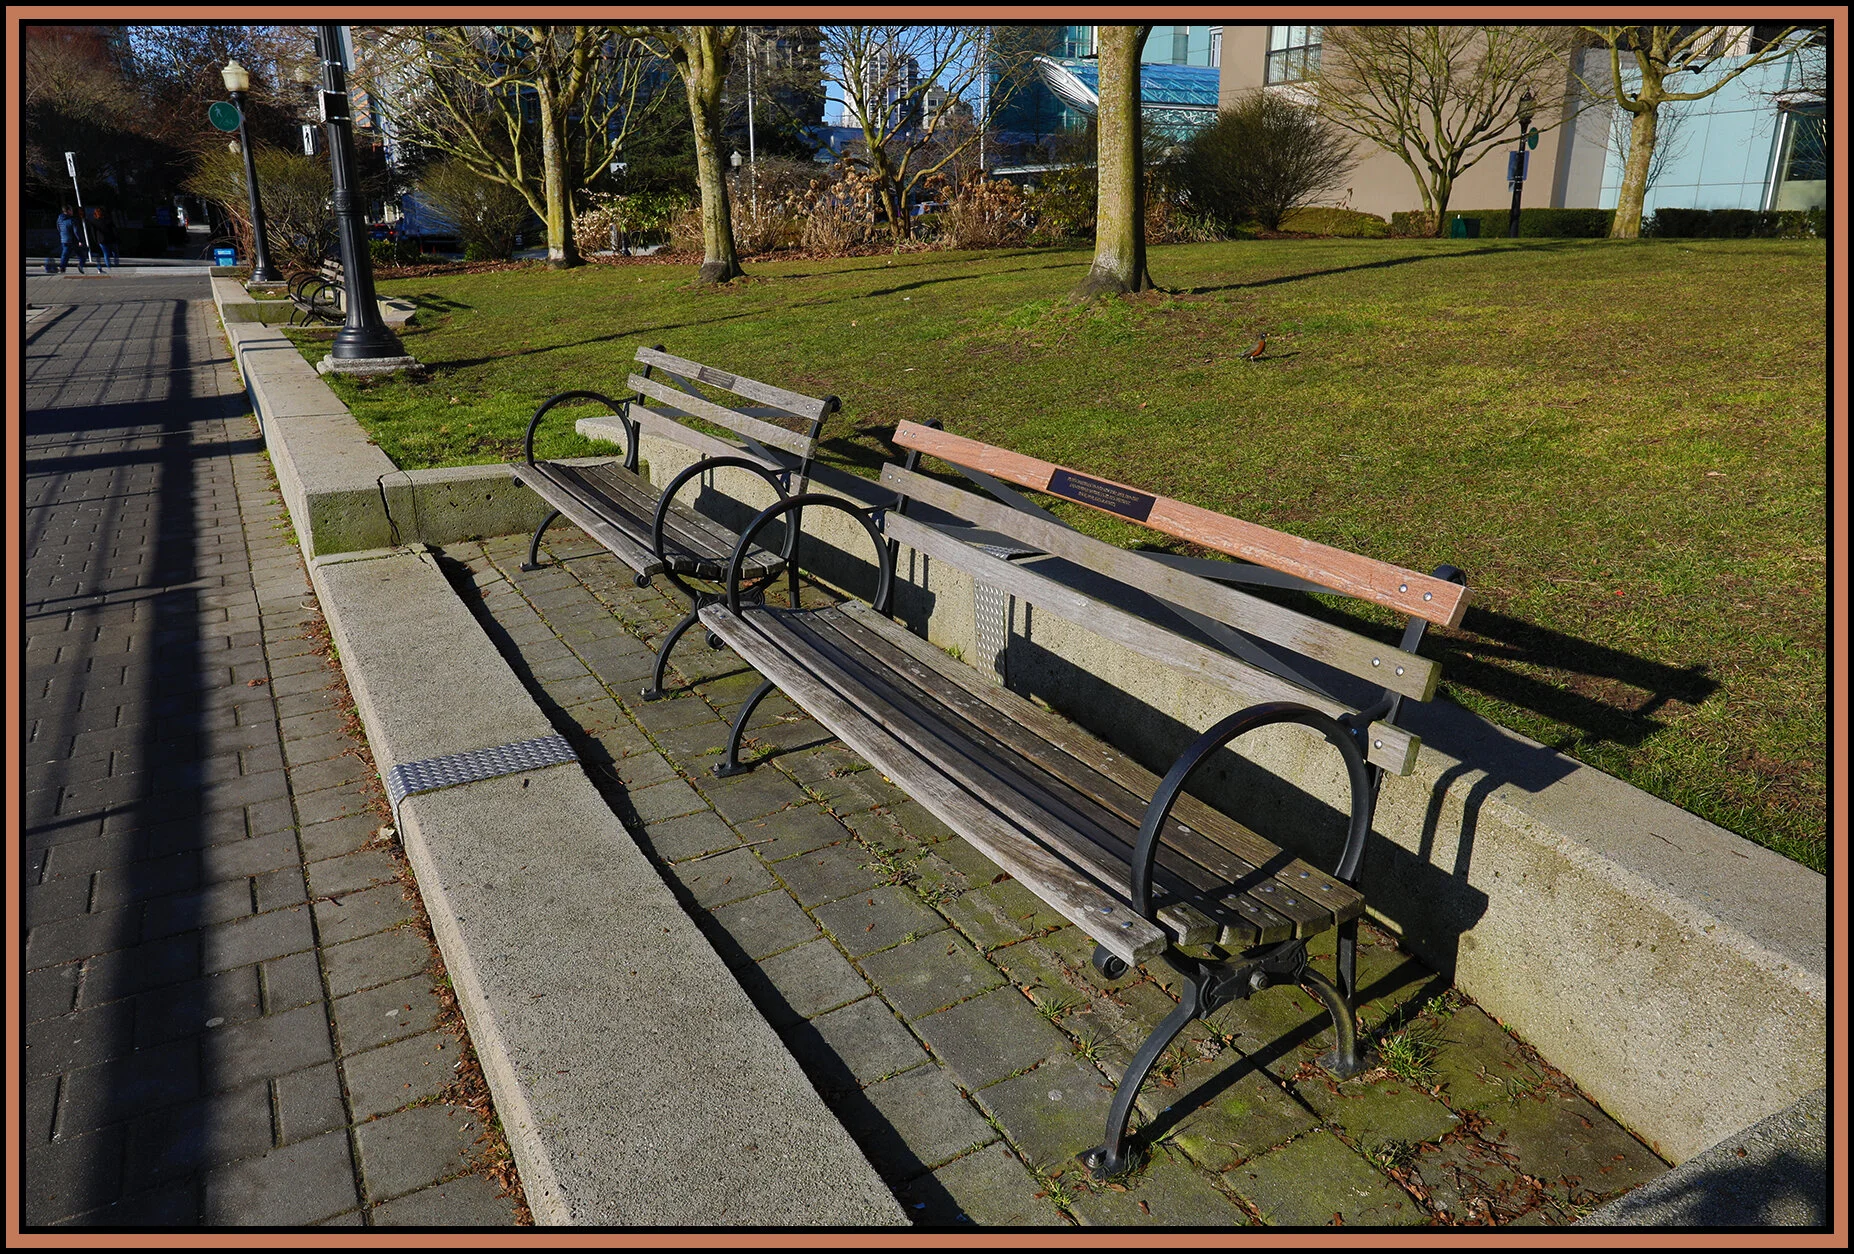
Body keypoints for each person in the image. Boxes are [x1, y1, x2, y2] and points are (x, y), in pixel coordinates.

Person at [56, 205, 88, 274]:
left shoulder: (59, 219)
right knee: (82, 255)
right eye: (71, 210)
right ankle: (81, 265)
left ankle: (62, 268)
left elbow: (59, 228)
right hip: (73, 240)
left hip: (64, 239)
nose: (72, 211)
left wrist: (63, 235)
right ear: (68, 211)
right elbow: (76, 231)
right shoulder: (72, 220)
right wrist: (80, 240)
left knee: (65, 255)